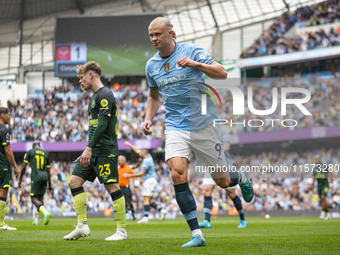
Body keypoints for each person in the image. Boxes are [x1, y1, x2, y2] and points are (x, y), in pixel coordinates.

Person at [143, 17, 253, 247]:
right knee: (177, 174)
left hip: (204, 125)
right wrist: (148, 118)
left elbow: (221, 73)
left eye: (158, 34)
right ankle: (197, 234)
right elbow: (153, 96)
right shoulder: (151, 65)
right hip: (175, 126)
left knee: (222, 181)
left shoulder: (192, 51)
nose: (153, 39)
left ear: (170, 33)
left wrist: (195, 65)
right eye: (151, 35)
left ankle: (240, 177)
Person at [63, 61, 127, 241]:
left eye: (81, 77)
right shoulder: (94, 96)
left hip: (105, 150)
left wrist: (88, 148)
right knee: (74, 182)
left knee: (112, 186)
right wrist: (88, 149)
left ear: (91, 75)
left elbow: (103, 125)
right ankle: (82, 226)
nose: (79, 81)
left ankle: (121, 231)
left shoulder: (105, 94)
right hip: (92, 150)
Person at [199, 141, 247, 229]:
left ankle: (242, 219)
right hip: (210, 166)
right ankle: (207, 221)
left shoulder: (222, 130)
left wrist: (213, 153)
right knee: (206, 190)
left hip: (224, 166)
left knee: (231, 194)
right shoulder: (205, 131)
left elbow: (227, 146)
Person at [124, 141, 167, 223]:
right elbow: (137, 150)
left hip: (149, 181)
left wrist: (131, 175)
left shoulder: (146, 161)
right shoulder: (148, 156)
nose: (139, 154)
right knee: (149, 201)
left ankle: (146, 218)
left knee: (145, 199)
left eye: (141, 152)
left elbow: (142, 173)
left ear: (144, 153)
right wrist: (129, 144)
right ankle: (161, 210)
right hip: (152, 180)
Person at [18, 141, 52, 226]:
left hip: (36, 177)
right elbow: (48, 170)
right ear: (39, 146)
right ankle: (37, 220)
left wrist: (20, 179)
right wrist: (50, 184)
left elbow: (24, 166)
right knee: (40, 198)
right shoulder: (46, 153)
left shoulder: (30, 152)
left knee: (33, 199)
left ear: (33, 146)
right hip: (44, 177)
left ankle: (45, 213)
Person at [0, 107, 19, 230]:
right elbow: (7, 150)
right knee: (3, 192)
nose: (10, 117)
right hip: (3, 165)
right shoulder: (4, 130)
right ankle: (1, 223)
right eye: (8, 114)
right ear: (2, 116)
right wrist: (15, 167)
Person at [313, 154, 331, 220]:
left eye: (318, 159)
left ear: (320, 159)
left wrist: (331, 183)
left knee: (323, 198)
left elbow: (330, 174)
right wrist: (313, 187)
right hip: (319, 186)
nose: (316, 160)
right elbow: (314, 179)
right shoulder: (315, 169)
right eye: (315, 159)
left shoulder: (324, 167)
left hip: (325, 185)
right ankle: (328, 213)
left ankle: (323, 213)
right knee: (322, 200)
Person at [118, 155, 136, 220]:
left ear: (124, 161)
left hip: (126, 187)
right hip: (119, 187)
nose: (119, 162)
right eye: (119, 160)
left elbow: (133, 177)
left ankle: (133, 215)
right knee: (119, 202)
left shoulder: (128, 168)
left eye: (121, 160)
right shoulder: (118, 169)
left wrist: (133, 186)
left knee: (129, 201)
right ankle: (119, 217)